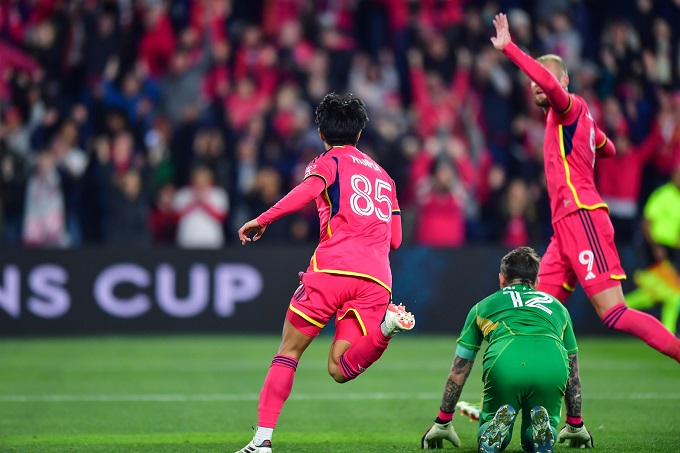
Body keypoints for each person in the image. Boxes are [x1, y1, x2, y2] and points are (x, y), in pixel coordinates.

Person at [490, 12, 680, 363]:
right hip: (563, 228)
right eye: (533, 82)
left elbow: (553, 90)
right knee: (536, 313)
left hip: (582, 215)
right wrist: (591, 141)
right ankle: (539, 394)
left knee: (614, 312)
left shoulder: (569, 106)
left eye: (546, 77)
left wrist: (511, 49)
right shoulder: (573, 120)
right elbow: (609, 147)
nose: (538, 85)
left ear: (564, 80)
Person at [235, 92, 415, 453]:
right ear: (360, 134)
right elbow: (396, 240)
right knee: (339, 368)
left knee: (289, 351)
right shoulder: (386, 178)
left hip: (333, 268)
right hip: (377, 280)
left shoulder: (328, 161)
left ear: (320, 133)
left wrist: (263, 218)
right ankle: (385, 329)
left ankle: (262, 440)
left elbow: (308, 191)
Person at [421, 247, 593, 452]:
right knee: (532, 442)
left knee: (489, 430)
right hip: (552, 363)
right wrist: (575, 424)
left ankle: (494, 428)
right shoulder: (559, 308)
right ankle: (540, 431)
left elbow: (458, 372)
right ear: (537, 282)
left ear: (501, 279)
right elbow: (573, 375)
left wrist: (443, 422)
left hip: (507, 362)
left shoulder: (482, 307)